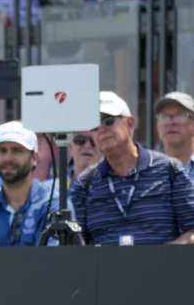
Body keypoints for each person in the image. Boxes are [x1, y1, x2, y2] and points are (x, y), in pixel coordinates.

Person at [71, 91, 194, 246]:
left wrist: (164, 254)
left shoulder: (170, 170)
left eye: (108, 121)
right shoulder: (85, 183)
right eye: (95, 126)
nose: (101, 129)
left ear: (130, 123)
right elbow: (75, 245)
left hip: (162, 262)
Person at [0, 122, 57, 247]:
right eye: (2, 151)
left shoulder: (52, 205)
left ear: (34, 158)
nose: (8, 158)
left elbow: (52, 257)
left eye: (17, 150)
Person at [155, 91, 194, 180]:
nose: (171, 122)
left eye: (179, 115)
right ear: (158, 126)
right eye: (164, 116)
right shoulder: (146, 171)